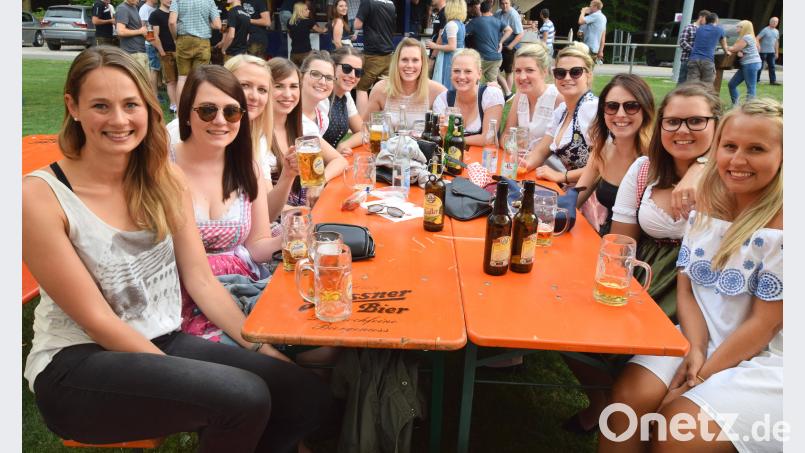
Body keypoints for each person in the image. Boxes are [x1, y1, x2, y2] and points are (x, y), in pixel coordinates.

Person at [22, 46, 334, 452]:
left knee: (304, 393)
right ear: (73, 107)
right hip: (78, 364)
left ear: (147, 110)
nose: (118, 120)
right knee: (243, 396)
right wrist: (183, 376)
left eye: (130, 105)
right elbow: (98, 320)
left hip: (163, 337)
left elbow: (201, 281)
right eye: (101, 105)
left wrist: (260, 347)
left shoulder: (162, 175)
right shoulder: (39, 196)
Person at [600, 98, 782, 453]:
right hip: (699, 333)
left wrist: (699, 376)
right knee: (626, 402)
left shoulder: (785, 223)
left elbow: (764, 326)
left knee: (677, 430)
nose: (738, 160)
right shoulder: (708, 203)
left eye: (756, 149)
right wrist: (695, 347)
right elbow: (687, 288)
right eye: (730, 146)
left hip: (765, 357)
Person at [170, 65, 288, 354]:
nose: (221, 121)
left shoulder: (246, 166)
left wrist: (289, 239)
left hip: (242, 284)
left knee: (323, 345)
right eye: (208, 111)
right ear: (187, 113)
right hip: (185, 293)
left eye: (232, 112)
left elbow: (256, 245)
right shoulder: (165, 164)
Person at [574, 74, 655, 236]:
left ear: (645, 110)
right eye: (612, 106)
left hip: (646, 252)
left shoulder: (656, 155)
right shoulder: (602, 150)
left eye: (631, 106)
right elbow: (575, 198)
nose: (620, 114)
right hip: (608, 241)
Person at [223, 54, 300, 224]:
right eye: (244, 85)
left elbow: (265, 214)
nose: (254, 96)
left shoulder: (257, 139)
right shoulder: (186, 134)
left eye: (262, 90)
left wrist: (288, 175)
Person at [269, 57, 347, 207]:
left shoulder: (302, 125)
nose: (287, 94)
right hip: (281, 218)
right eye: (278, 86)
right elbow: (264, 207)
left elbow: (339, 161)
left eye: (293, 86)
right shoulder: (258, 134)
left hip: (305, 209)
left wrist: (318, 182)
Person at [520, 42, 598, 185]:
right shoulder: (562, 110)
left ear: (588, 75)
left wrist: (561, 176)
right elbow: (541, 151)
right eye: (560, 73)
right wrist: (523, 164)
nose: (567, 78)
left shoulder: (592, 108)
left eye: (575, 72)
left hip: (592, 194)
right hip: (571, 188)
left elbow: (600, 165)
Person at [364, 38, 447, 130]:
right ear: (396, 62)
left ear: (422, 63)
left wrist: (441, 123)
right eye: (404, 60)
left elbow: (450, 129)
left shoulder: (437, 91)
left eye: (415, 60)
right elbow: (366, 128)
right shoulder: (381, 89)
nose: (409, 65)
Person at [432, 48, 504, 147]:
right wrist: (439, 128)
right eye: (456, 71)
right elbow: (440, 137)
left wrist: (453, 139)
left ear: (479, 74)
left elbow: (488, 138)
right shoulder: (443, 100)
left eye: (468, 71)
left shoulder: (491, 95)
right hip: (451, 159)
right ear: (451, 73)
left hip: (484, 159)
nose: (461, 76)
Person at [504, 42, 562, 153]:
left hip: (551, 167)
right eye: (518, 71)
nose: (522, 77)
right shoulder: (519, 96)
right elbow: (506, 135)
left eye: (529, 70)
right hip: (523, 163)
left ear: (544, 72)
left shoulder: (558, 98)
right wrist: (513, 149)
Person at [168, 0, 221, 100]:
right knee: (199, 79)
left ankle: (180, 112)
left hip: (183, 40)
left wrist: (175, 38)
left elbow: (171, 22)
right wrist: (206, 23)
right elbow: (218, 25)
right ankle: (196, 110)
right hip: (203, 42)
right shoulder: (209, 1)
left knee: (182, 78)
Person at [353, 0, 396, 114]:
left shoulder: (367, 2)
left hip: (372, 54)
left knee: (362, 88)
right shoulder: (391, 4)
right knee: (384, 89)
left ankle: (362, 123)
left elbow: (357, 25)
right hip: (389, 55)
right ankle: (385, 122)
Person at [322, 46, 364, 155]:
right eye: (347, 68)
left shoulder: (346, 95)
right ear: (333, 67)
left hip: (332, 161)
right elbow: (311, 140)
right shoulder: (321, 95)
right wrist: (335, 155)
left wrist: (343, 145)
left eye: (358, 72)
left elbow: (363, 133)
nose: (352, 76)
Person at [465, 0, 511, 85]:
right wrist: (501, 42)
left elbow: (463, 32)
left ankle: (474, 96)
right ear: (490, 10)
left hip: (484, 58)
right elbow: (509, 30)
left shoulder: (475, 22)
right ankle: (496, 97)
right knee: (493, 83)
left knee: (472, 79)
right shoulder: (497, 21)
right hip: (497, 58)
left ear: (480, 10)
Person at [426, 0, 466, 90]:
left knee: (445, 84)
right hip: (457, 57)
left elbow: (452, 46)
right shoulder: (460, 24)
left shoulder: (451, 24)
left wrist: (434, 46)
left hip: (449, 59)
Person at [150, 0, 178, 115]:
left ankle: (180, 103)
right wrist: (161, 52)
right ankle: (173, 105)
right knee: (171, 81)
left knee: (181, 79)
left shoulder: (176, 12)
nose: (169, 0)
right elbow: (154, 35)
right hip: (166, 52)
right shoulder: (155, 14)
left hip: (179, 51)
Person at [686, 12, 729, 85]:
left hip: (693, 59)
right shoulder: (719, 29)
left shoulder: (699, 28)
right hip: (707, 59)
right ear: (716, 20)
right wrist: (727, 52)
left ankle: (692, 96)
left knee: (692, 85)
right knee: (707, 85)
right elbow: (724, 45)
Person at [727, 20, 763, 106]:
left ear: (744, 28)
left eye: (738, 27)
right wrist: (742, 50)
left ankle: (750, 109)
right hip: (750, 64)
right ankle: (736, 106)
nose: (737, 28)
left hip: (751, 64)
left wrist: (725, 46)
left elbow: (735, 49)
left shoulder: (747, 37)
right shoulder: (750, 37)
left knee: (751, 87)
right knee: (732, 84)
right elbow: (757, 49)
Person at [494, 0, 523, 98]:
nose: (504, 5)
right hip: (499, 45)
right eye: (502, 3)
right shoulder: (497, 13)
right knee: (495, 69)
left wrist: (510, 46)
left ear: (510, 3)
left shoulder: (513, 15)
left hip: (509, 46)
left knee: (508, 71)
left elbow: (520, 34)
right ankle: (500, 91)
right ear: (499, 4)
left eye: (506, 3)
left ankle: (508, 94)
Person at [287, 2, 327, 67]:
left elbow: (290, 35)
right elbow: (320, 30)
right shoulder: (308, 21)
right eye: (306, 9)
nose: (309, 11)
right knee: (305, 73)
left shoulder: (290, 21)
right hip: (306, 53)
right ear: (300, 11)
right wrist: (328, 27)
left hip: (293, 54)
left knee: (295, 74)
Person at [676, 9, 709, 85]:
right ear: (701, 17)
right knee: (682, 82)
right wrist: (694, 50)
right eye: (706, 19)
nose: (706, 22)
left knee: (694, 84)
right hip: (687, 59)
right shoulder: (689, 27)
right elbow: (682, 42)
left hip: (699, 61)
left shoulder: (705, 30)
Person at [115, 0, 149, 73]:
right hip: (133, 54)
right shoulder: (122, 8)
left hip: (140, 51)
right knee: (139, 83)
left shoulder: (134, 7)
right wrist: (140, 31)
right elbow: (120, 31)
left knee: (145, 83)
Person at [756, 17, 780, 85]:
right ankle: (756, 80)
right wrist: (758, 46)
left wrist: (777, 52)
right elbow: (757, 38)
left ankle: (773, 81)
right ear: (770, 22)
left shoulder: (776, 31)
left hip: (772, 52)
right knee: (760, 66)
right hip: (763, 52)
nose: (775, 23)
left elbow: (776, 42)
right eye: (773, 21)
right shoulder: (765, 30)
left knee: (772, 66)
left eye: (776, 22)